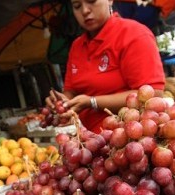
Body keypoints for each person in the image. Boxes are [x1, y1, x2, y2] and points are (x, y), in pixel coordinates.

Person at [45, 0, 165, 133]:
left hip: (129, 139)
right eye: (77, 6)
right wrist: (61, 102)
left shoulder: (134, 34)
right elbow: (71, 91)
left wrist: (93, 102)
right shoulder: (77, 46)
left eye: (91, 1)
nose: (84, 11)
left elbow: (153, 94)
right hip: (91, 140)